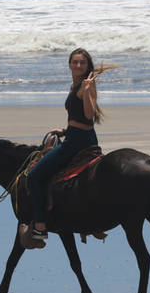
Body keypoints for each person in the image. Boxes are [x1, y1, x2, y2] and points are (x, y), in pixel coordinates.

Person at [23, 48, 103, 248]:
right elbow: (78, 119)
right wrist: (65, 130)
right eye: (75, 62)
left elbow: (88, 115)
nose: (78, 66)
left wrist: (86, 93)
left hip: (78, 142)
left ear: (87, 66)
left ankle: (40, 225)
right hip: (78, 136)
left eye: (82, 63)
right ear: (69, 65)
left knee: (34, 176)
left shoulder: (87, 85)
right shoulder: (76, 84)